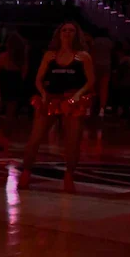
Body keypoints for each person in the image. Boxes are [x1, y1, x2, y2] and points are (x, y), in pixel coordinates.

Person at [17, 21, 94, 192]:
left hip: (72, 101)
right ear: (59, 34)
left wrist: (77, 96)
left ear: (77, 34)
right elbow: (38, 79)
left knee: (73, 141)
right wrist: (43, 94)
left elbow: (90, 81)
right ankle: (26, 172)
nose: (67, 33)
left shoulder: (83, 56)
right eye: (64, 30)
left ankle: (69, 176)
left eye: (71, 30)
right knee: (34, 139)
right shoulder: (50, 55)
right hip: (51, 98)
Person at [0, 31, 29, 153]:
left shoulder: (3, 56)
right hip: (16, 87)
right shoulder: (23, 59)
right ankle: (5, 141)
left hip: (3, 87)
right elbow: (24, 75)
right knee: (9, 117)